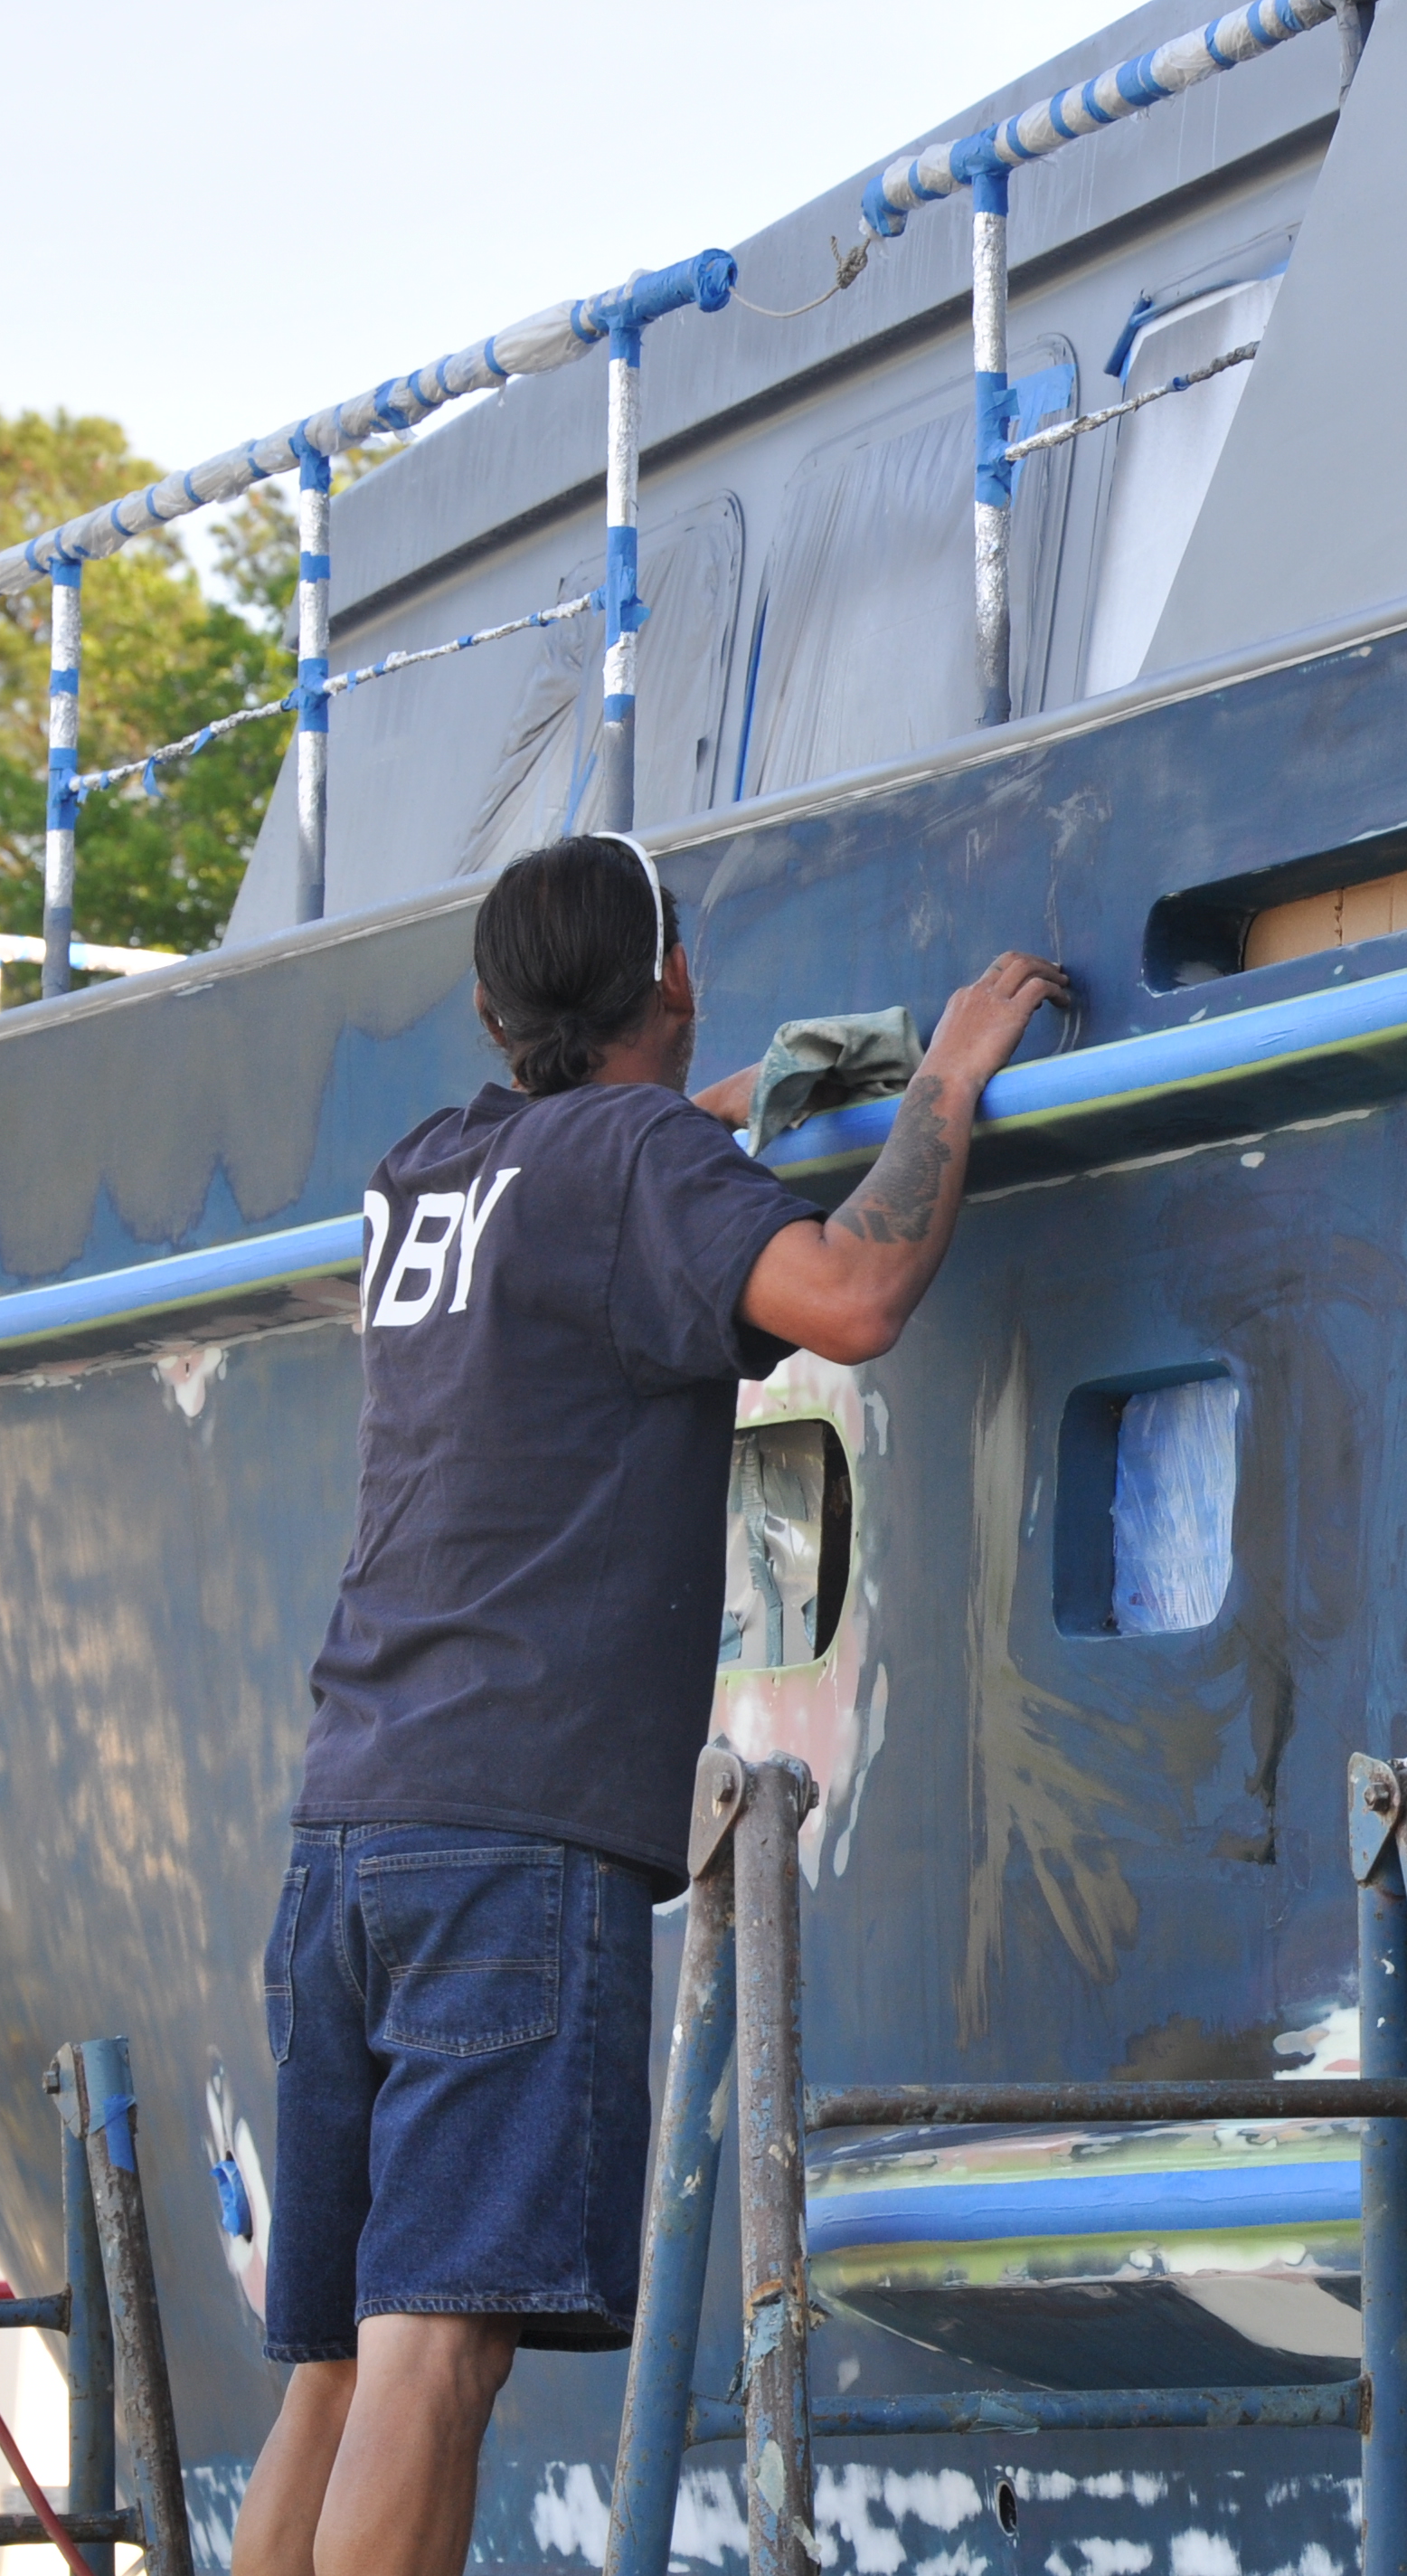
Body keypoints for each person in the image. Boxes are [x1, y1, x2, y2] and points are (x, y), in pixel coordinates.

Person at [234, 835, 1069, 2576]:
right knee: (432, 2361)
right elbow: (851, 1292)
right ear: (672, 974)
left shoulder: (427, 1175)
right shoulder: (625, 1164)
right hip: (508, 1850)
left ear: (491, 1009)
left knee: (323, 2377)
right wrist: (943, 1085)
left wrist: (729, 1107)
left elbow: (601, 1164)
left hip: (349, 1843)